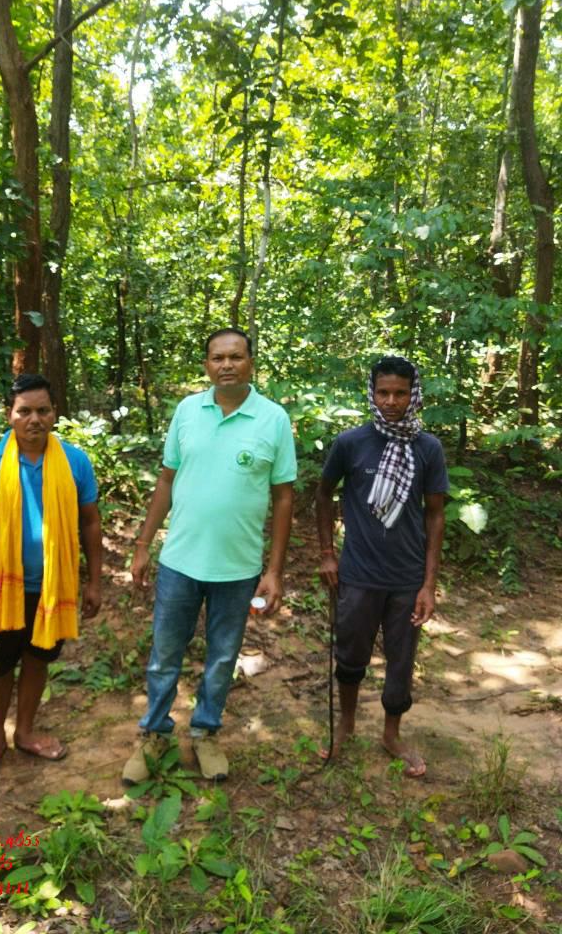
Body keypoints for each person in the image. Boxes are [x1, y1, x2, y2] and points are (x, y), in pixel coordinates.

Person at [123, 328, 297, 783]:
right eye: (218, 358)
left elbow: (283, 497)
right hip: (180, 562)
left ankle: (205, 732)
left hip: (238, 568)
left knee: (222, 658)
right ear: (206, 365)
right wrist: (143, 545)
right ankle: (154, 734)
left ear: (251, 362)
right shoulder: (187, 411)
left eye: (236, 357)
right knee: (165, 654)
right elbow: (166, 479)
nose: (227, 365)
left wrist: (274, 571)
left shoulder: (273, 419)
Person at [0, 373, 102, 781]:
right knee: (0, 663)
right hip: (2, 588)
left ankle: (25, 732)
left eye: (43, 410)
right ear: (10, 414)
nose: (34, 419)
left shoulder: (74, 462)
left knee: (39, 657)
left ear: (55, 413)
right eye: (25, 411)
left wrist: (94, 582)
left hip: (54, 587)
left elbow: (90, 523)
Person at [316, 355, 447, 777]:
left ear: (414, 395)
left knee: (401, 659)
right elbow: (323, 495)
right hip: (358, 574)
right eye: (383, 392)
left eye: (400, 393)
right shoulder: (351, 443)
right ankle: (346, 725)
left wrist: (428, 585)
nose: (391, 402)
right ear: (372, 394)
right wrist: (327, 553)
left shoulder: (427, 448)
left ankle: (392, 735)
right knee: (351, 652)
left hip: (407, 578)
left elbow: (435, 515)